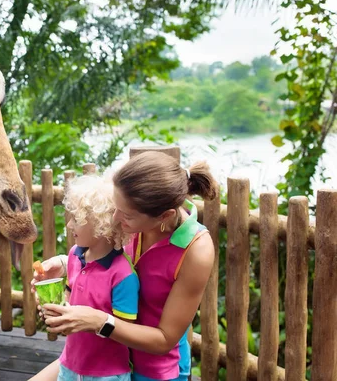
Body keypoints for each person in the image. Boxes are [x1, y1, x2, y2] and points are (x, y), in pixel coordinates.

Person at [30, 151, 218, 381]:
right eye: (114, 208)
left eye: (125, 214)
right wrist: (63, 263)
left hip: (153, 370)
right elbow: (103, 255)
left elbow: (164, 339)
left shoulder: (196, 249)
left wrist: (98, 322)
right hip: (101, 356)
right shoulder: (131, 216)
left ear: (164, 216)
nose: (115, 219)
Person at [44, 174, 140, 381]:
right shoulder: (74, 256)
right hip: (70, 365)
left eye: (76, 220)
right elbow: (71, 295)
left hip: (107, 374)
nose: (69, 226)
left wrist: (93, 322)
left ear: (101, 224)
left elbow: (126, 332)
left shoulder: (123, 276)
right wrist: (57, 307)